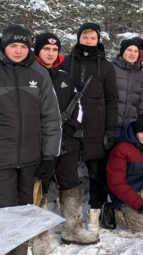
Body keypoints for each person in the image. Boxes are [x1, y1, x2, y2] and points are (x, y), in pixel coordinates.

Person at [0, 25, 62, 255]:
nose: (19, 50)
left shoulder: (38, 73)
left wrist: (48, 155)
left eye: (23, 46)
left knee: (23, 219)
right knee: (1, 219)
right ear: (3, 45)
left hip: (30, 161)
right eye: (13, 45)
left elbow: (51, 118)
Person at [32, 33, 99, 251]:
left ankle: (73, 229)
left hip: (67, 143)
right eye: (46, 50)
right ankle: (38, 236)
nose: (51, 53)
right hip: (38, 146)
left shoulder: (64, 77)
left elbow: (77, 105)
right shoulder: (29, 75)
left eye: (54, 50)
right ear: (38, 51)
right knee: (37, 188)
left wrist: (72, 126)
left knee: (70, 183)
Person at [60, 23, 118, 232]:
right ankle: (68, 215)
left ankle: (95, 211)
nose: (88, 41)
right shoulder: (65, 63)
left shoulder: (107, 67)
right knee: (66, 170)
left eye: (92, 38)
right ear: (78, 38)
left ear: (98, 40)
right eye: (85, 37)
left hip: (97, 125)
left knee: (96, 171)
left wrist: (111, 128)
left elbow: (112, 99)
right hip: (71, 125)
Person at [112, 39, 143, 129]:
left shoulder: (141, 75)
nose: (132, 54)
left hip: (130, 126)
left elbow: (142, 103)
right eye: (129, 50)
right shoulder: (111, 69)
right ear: (122, 51)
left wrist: (140, 124)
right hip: (111, 124)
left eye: (136, 51)